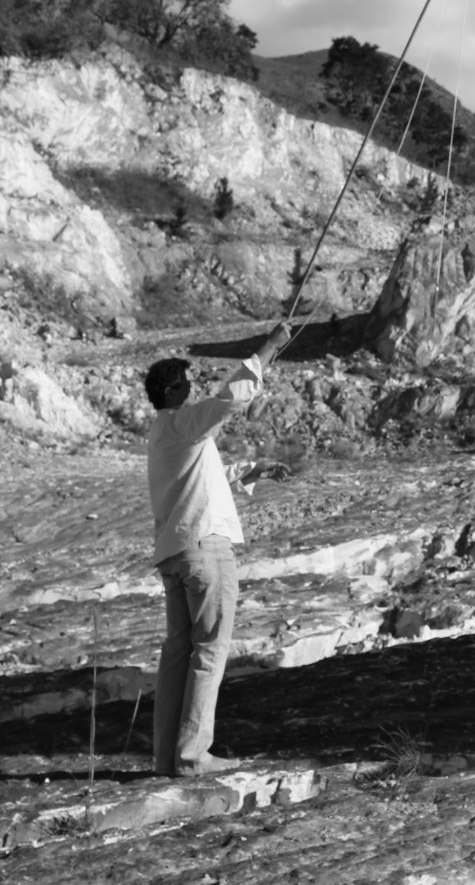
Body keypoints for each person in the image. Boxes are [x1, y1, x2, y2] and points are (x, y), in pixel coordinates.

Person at [143, 322, 291, 777]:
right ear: (172, 390)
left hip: (175, 555)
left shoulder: (164, 433)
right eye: (186, 382)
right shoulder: (183, 422)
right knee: (209, 650)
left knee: (178, 654)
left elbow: (202, 478)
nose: (192, 387)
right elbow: (229, 398)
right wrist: (269, 348)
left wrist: (252, 471)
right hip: (205, 550)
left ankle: (167, 758)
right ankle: (193, 757)